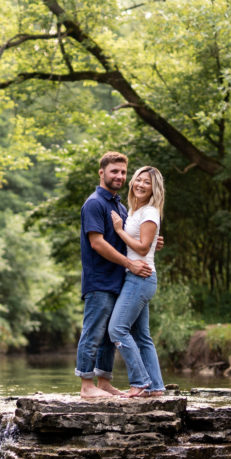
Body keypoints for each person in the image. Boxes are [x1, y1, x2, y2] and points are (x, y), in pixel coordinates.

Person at [76, 152, 153, 398]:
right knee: (93, 331)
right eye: (114, 171)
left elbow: (129, 238)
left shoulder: (119, 206)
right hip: (99, 280)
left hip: (118, 280)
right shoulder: (94, 204)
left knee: (110, 335)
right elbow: (97, 243)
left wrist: (152, 242)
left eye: (122, 172)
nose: (119, 176)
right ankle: (87, 386)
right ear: (102, 173)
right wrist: (130, 264)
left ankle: (104, 382)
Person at [108, 166, 166, 398]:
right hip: (136, 277)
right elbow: (148, 244)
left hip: (140, 278)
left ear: (154, 189)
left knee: (117, 329)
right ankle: (155, 387)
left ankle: (140, 381)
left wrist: (120, 231)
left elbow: (142, 247)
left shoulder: (149, 212)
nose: (140, 185)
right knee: (142, 336)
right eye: (138, 180)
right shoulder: (135, 210)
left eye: (147, 183)